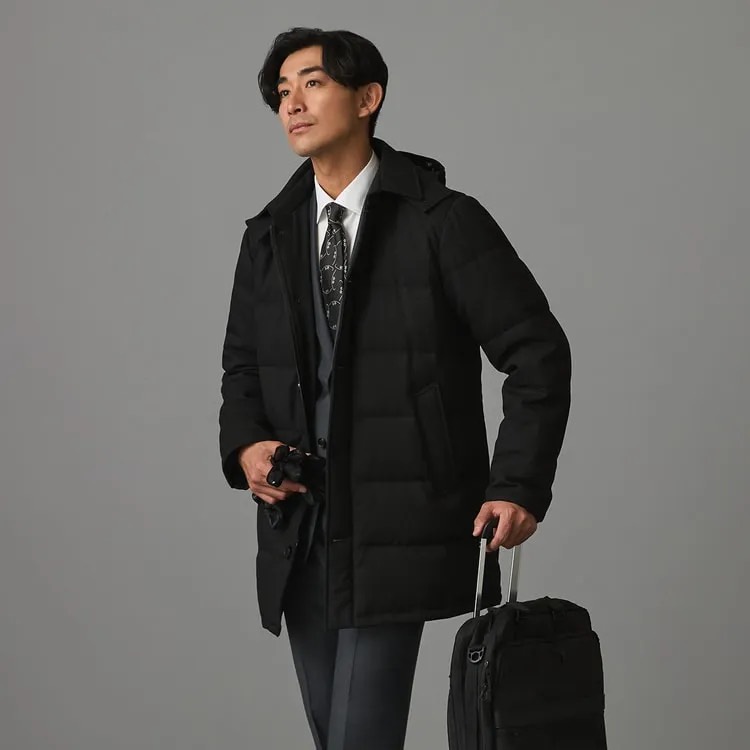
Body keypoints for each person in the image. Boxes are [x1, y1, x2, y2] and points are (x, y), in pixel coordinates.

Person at [218, 27, 572, 750]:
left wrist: (518, 485)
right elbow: (243, 368)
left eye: (312, 83)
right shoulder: (269, 236)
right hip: (300, 526)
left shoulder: (443, 221)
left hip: (398, 520)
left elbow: (536, 352)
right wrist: (247, 447)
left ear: (367, 97)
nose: (292, 104)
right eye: (281, 92)